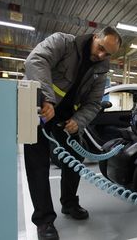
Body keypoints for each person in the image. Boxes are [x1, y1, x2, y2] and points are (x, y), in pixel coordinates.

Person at [24, 26, 122, 240]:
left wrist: (78, 121)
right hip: (34, 104)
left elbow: (94, 103)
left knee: (76, 157)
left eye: (108, 53)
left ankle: (69, 203)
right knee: (36, 163)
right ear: (95, 36)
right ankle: (44, 220)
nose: (102, 55)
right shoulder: (63, 42)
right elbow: (36, 60)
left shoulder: (101, 68)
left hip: (65, 115)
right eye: (101, 48)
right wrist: (46, 98)